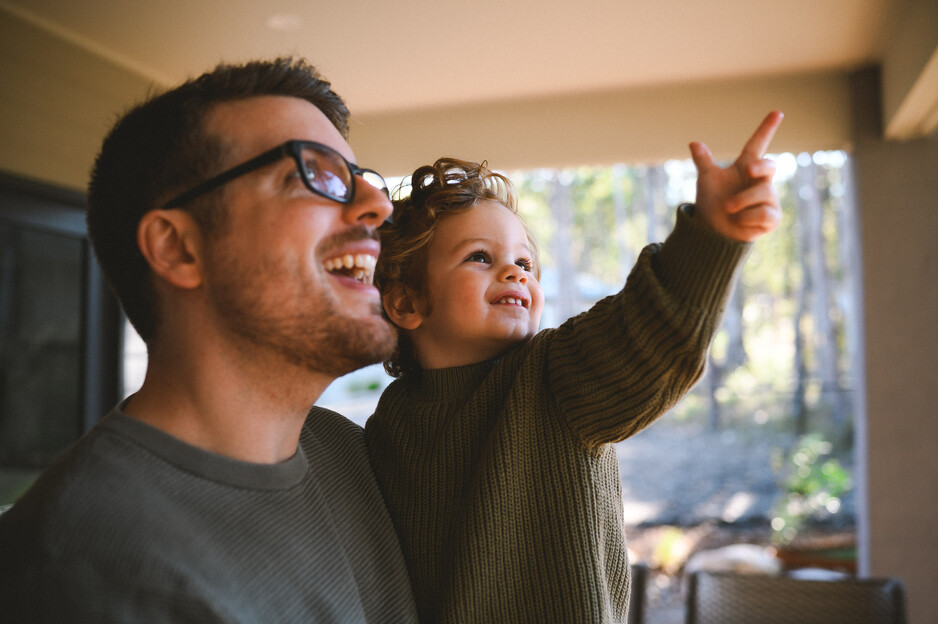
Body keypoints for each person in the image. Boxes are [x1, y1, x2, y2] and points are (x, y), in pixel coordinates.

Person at [0, 58, 417, 622]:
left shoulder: (347, 453)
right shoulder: (89, 566)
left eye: (357, 177)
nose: (378, 206)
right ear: (178, 248)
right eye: (315, 174)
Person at [365, 112, 784, 623]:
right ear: (406, 304)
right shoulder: (389, 425)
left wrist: (711, 235)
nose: (514, 272)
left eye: (525, 263)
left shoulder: (550, 375)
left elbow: (647, 338)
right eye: (479, 256)